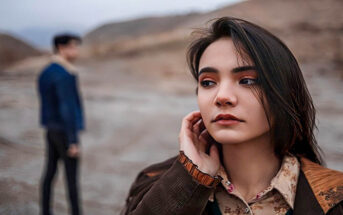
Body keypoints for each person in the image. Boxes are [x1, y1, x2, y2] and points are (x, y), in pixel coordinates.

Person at [121, 17, 343, 215]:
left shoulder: (335, 196)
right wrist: (190, 179)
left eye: (247, 80)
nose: (222, 97)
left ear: (284, 93)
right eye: (208, 82)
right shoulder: (153, 182)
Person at [38, 33, 84, 215]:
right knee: (71, 178)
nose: (76, 50)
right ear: (61, 48)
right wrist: (73, 140)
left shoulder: (46, 71)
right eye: (73, 46)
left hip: (51, 129)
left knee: (50, 172)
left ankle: (45, 211)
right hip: (65, 132)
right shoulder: (64, 74)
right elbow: (67, 108)